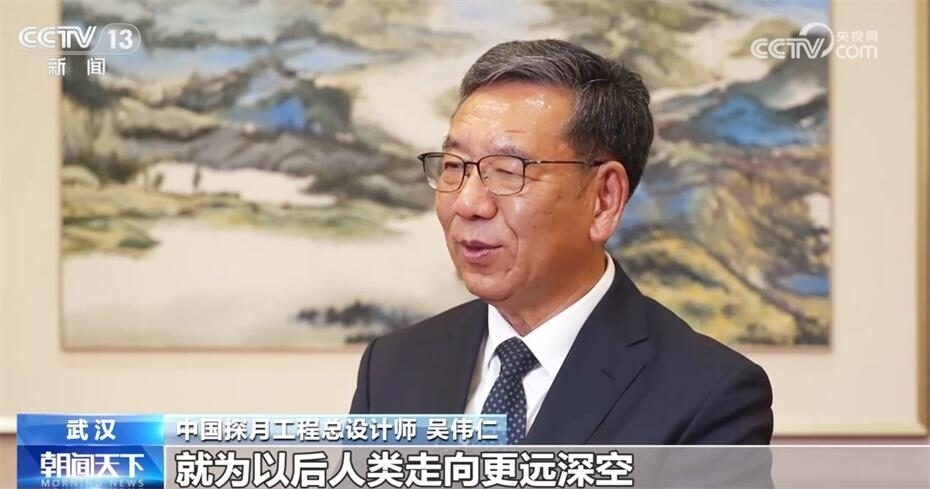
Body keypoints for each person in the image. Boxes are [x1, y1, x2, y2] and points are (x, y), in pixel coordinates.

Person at [350, 39, 773, 445]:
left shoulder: (708, 395)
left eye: (508, 170)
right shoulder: (392, 366)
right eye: (454, 166)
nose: (467, 203)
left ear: (604, 199)